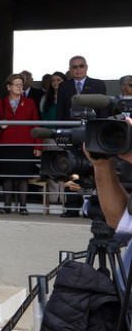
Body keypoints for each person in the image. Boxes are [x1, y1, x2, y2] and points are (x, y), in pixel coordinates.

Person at [57, 55, 109, 217]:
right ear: (70, 69)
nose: (78, 69)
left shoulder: (98, 84)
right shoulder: (64, 86)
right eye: (74, 67)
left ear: (86, 67)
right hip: (71, 135)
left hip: (93, 136)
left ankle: (92, 210)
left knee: (93, 171)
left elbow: (103, 111)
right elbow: (61, 111)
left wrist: (103, 135)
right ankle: (72, 208)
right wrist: (60, 134)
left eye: (81, 66)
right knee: (72, 168)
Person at [0, 73, 42, 215]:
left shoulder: (30, 102)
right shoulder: (0, 103)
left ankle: (23, 207)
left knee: (23, 177)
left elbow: (37, 126)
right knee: (7, 176)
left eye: (21, 84)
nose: (19, 87)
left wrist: (38, 146)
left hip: (25, 144)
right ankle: (7, 205)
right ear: (8, 86)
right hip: (5, 144)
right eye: (16, 84)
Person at [39, 71, 66, 204]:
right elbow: (42, 118)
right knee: (51, 166)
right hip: (50, 136)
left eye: (58, 80)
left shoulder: (69, 97)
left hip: (65, 137)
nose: (55, 82)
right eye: (53, 80)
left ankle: (64, 198)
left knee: (64, 166)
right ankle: (54, 198)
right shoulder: (46, 98)